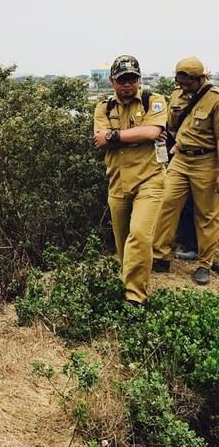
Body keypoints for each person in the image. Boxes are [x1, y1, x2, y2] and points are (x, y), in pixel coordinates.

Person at [92, 55, 167, 305]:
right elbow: (99, 139)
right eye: (123, 79)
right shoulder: (104, 107)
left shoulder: (153, 101)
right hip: (118, 182)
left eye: (132, 78)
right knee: (123, 243)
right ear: (113, 81)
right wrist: (132, 136)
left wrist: (114, 136)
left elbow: (152, 131)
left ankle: (135, 297)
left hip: (150, 180)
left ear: (139, 79)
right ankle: (128, 280)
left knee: (140, 235)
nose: (128, 84)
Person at [151, 57, 219, 285]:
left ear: (200, 79)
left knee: (206, 214)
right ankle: (160, 256)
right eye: (180, 83)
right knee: (167, 204)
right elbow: (171, 126)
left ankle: (204, 264)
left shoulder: (215, 100)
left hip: (206, 160)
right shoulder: (176, 96)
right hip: (180, 159)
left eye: (188, 84)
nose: (183, 88)